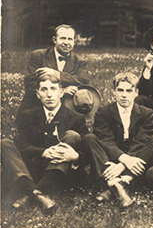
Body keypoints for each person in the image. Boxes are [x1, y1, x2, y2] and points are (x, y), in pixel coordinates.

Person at [1, 72, 88, 214]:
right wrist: (43, 152)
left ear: (61, 93)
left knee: (72, 136)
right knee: (4, 143)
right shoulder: (27, 115)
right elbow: (21, 145)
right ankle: (38, 194)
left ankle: (30, 194)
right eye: (44, 89)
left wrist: (76, 156)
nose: (49, 95)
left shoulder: (75, 118)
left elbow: (88, 149)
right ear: (37, 94)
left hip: (60, 174)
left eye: (53, 89)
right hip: (34, 170)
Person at [81, 72, 153, 207]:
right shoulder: (103, 112)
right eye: (120, 90)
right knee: (89, 138)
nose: (124, 95)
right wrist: (122, 158)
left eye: (129, 91)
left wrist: (122, 166)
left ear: (136, 92)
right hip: (111, 158)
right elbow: (106, 140)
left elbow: (141, 142)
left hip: (136, 158)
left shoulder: (146, 113)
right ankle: (119, 183)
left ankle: (118, 183)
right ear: (114, 92)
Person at [20, 24, 89, 112]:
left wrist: (58, 74)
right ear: (55, 40)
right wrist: (62, 92)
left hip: (66, 111)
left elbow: (83, 82)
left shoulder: (79, 61)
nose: (66, 43)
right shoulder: (38, 56)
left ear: (74, 42)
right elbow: (30, 84)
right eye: (63, 38)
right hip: (36, 109)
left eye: (70, 39)